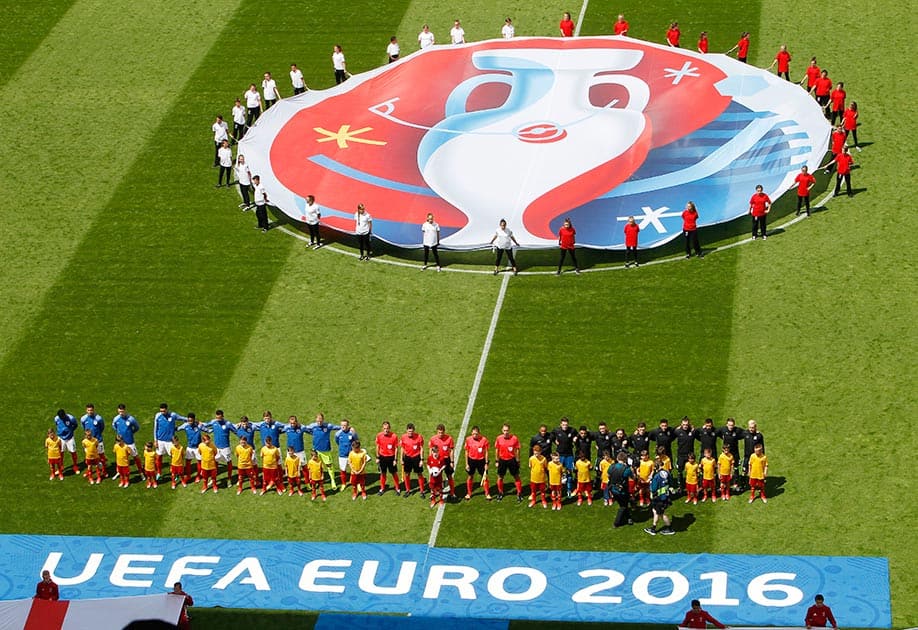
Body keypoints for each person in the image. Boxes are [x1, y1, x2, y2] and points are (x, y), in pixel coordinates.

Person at [305, 413, 342, 489]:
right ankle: (317, 480)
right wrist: (312, 433)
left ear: (323, 419)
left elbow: (337, 427)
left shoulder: (328, 426)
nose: (319, 422)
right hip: (316, 451)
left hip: (326, 450)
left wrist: (348, 427)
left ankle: (332, 480)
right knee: (316, 467)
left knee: (329, 466)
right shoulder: (313, 426)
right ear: (316, 420)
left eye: (321, 420)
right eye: (318, 420)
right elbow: (305, 429)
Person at [111, 404, 145, 479]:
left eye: (122, 411)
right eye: (119, 412)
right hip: (120, 443)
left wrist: (130, 433)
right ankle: (119, 472)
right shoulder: (116, 419)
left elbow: (137, 427)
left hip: (130, 441)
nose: (121, 413)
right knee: (119, 457)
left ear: (125, 410)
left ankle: (141, 472)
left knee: (135, 457)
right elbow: (114, 427)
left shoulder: (131, 419)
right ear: (118, 410)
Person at [203, 409, 235, 488]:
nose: (218, 419)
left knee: (229, 463)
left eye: (219, 418)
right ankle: (213, 479)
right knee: (215, 463)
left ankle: (229, 479)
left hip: (225, 447)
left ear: (223, 416)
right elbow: (206, 425)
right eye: (217, 418)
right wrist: (199, 423)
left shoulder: (228, 424)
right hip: (216, 447)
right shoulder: (214, 422)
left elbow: (236, 431)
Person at [643, 459, 675, 535]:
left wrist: (651, 481)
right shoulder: (667, 473)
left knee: (661, 514)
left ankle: (669, 529)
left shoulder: (657, 476)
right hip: (665, 497)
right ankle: (653, 528)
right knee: (655, 511)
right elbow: (671, 483)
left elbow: (653, 489)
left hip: (659, 498)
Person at [494, 424, 523, 502]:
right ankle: (500, 492)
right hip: (502, 460)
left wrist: (518, 460)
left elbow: (517, 449)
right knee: (500, 477)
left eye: (507, 430)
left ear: (509, 430)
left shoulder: (514, 438)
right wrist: (496, 461)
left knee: (516, 476)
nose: (506, 432)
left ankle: (519, 493)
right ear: (502, 430)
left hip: (512, 460)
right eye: (504, 430)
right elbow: (497, 450)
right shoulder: (499, 438)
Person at [429, 424, 457, 500]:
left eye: (442, 432)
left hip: (446, 460)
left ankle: (452, 493)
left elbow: (451, 450)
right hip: (437, 461)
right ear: (437, 432)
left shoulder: (449, 439)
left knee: (449, 476)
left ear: (444, 431)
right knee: (435, 478)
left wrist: (452, 461)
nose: (440, 434)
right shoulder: (433, 439)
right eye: (439, 432)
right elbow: (431, 450)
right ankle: (434, 493)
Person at [463, 425, 490, 500]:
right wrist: (467, 464)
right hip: (471, 460)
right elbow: (466, 452)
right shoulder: (468, 439)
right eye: (473, 434)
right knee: (470, 476)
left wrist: (486, 463)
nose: (475, 435)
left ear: (479, 433)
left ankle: (487, 494)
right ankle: (469, 493)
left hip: (481, 461)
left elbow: (486, 452)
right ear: (471, 433)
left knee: (484, 477)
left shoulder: (484, 440)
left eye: (476, 434)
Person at [375, 421, 401, 495]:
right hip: (382, 457)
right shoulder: (379, 436)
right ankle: (382, 488)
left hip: (391, 458)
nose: (386, 430)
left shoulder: (394, 436)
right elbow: (377, 447)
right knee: (383, 473)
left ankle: (397, 488)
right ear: (382, 428)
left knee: (394, 473)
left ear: (389, 428)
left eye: (387, 428)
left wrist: (395, 459)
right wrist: (377, 457)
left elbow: (396, 448)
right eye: (384, 428)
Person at [552, 417, 577, 496]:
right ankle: (559, 490)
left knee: (569, 472)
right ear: (560, 425)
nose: (565, 426)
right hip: (560, 455)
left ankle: (569, 489)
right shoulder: (556, 430)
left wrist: (575, 437)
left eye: (566, 425)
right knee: (559, 473)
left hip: (569, 455)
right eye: (563, 425)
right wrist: (554, 441)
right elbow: (551, 435)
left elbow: (577, 434)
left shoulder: (572, 430)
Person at [399, 423, 425, 497]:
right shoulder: (403, 437)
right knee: (407, 474)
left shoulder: (419, 437)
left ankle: (422, 491)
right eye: (409, 431)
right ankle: (408, 490)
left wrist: (422, 459)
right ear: (406, 430)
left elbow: (421, 449)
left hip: (416, 457)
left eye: (411, 431)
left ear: (414, 431)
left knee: (419, 474)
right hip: (407, 458)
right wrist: (401, 459)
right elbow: (402, 448)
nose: (410, 433)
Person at [80, 403, 108, 471]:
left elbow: (102, 427)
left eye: (91, 410)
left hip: (98, 440)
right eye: (88, 410)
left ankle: (104, 470)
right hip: (88, 441)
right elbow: (84, 428)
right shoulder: (83, 419)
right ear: (86, 410)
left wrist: (97, 434)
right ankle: (90, 471)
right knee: (89, 457)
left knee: (101, 455)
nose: (90, 412)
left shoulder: (98, 418)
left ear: (94, 410)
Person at [609, 452, 634, 527]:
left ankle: (629, 518)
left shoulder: (612, 467)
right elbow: (633, 477)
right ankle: (616, 523)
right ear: (625, 460)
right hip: (622, 491)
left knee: (623, 504)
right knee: (623, 506)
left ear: (617, 458)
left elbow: (608, 475)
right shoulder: (626, 469)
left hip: (613, 489)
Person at [178, 414, 203, 482]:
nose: (190, 422)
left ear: (194, 420)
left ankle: (198, 476)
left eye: (191, 421)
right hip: (190, 447)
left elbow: (207, 428)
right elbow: (177, 429)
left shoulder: (199, 425)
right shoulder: (185, 425)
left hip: (198, 447)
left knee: (199, 462)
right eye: (188, 420)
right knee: (188, 462)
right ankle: (188, 476)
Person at [54, 409, 80, 474]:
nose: (61, 418)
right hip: (61, 438)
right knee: (60, 452)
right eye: (60, 417)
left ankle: (75, 466)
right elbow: (57, 425)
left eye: (62, 417)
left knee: (73, 452)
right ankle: (61, 466)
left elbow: (75, 425)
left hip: (70, 438)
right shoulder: (56, 418)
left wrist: (70, 431)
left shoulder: (71, 418)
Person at [741, 419, 765, 490]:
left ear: (755, 427)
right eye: (750, 427)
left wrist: (763, 457)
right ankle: (742, 485)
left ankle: (758, 485)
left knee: (756, 471)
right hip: (747, 456)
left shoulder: (759, 435)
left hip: (756, 458)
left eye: (753, 427)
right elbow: (736, 432)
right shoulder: (745, 433)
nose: (751, 429)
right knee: (744, 470)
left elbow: (762, 446)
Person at [335, 419, 359, 488]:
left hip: (351, 455)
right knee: (343, 470)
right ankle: (343, 484)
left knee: (354, 470)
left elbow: (356, 440)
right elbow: (337, 442)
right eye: (342, 425)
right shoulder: (338, 434)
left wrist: (354, 433)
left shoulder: (351, 433)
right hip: (342, 455)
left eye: (345, 425)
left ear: (348, 426)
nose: (343, 427)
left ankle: (355, 483)